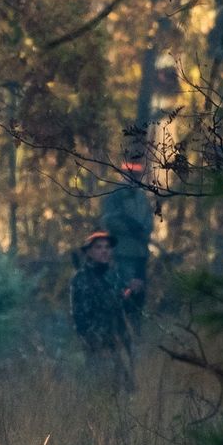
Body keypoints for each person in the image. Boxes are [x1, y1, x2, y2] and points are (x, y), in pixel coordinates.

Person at [71, 231, 140, 391]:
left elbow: (120, 304)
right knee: (102, 393)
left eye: (108, 247)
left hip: (119, 346)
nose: (104, 251)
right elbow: (80, 320)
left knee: (127, 392)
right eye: (98, 247)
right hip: (99, 349)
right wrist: (96, 346)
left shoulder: (112, 277)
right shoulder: (81, 279)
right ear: (88, 252)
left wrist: (132, 290)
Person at [100, 161, 153, 323]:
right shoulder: (115, 196)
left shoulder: (142, 197)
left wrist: (142, 231)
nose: (133, 178)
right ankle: (123, 328)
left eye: (136, 175)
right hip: (122, 253)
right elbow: (108, 221)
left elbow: (149, 223)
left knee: (139, 294)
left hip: (141, 254)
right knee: (124, 291)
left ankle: (136, 328)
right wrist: (129, 229)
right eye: (130, 175)